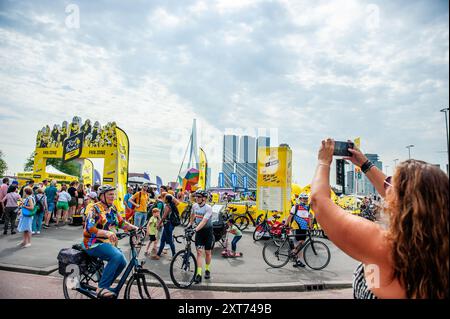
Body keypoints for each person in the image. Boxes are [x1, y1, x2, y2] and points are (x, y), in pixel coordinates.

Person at [310, 138, 449, 299]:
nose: (387, 189)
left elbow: (319, 202)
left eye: (394, 186)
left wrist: (323, 161)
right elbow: (392, 189)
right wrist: (365, 164)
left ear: (402, 201)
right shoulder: (439, 250)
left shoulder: (386, 247)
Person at [83, 185, 138, 298]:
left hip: (108, 243)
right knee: (116, 256)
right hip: (93, 243)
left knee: (122, 262)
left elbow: (121, 223)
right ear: (101, 196)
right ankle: (101, 288)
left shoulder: (112, 208)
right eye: (110, 194)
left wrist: (135, 227)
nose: (113, 196)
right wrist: (106, 233)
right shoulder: (94, 209)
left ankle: (105, 284)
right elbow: (89, 228)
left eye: (113, 194)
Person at [189, 190, 214, 284]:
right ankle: (198, 274)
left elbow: (204, 221)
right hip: (199, 232)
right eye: (196, 196)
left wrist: (195, 230)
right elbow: (192, 215)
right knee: (199, 253)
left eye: (199, 196)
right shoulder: (194, 206)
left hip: (208, 231)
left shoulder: (208, 208)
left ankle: (207, 269)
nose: (196, 198)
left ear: (204, 198)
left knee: (207, 253)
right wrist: (190, 224)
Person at [286, 192, 313, 268]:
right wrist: (286, 224)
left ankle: (298, 260)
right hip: (296, 228)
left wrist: (310, 226)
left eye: (306, 199)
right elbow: (290, 216)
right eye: (304, 199)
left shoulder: (307, 207)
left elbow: (309, 218)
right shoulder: (296, 207)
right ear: (300, 199)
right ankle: (294, 256)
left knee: (301, 246)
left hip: (303, 228)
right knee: (299, 244)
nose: (305, 200)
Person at [154, 194, 178, 260]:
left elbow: (164, 217)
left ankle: (174, 255)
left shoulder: (168, 206)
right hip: (169, 224)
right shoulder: (172, 205)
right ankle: (158, 254)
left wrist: (159, 224)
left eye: (164, 198)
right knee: (163, 240)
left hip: (168, 225)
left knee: (170, 241)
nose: (163, 199)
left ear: (167, 200)